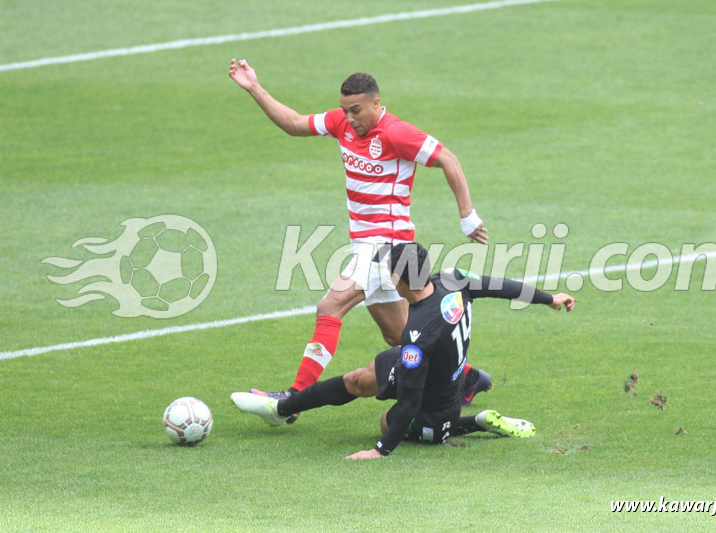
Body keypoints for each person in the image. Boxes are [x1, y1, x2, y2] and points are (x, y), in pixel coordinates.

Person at [228, 60, 491, 417]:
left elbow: (449, 159)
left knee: (329, 307)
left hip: (388, 246)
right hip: (368, 245)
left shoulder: (397, 133)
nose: (350, 118)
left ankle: (291, 400)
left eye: (357, 110)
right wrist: (254, 88)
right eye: (345, 110)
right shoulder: (341, 124)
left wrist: (467, 216)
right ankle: (470, 379)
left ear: (376, 103)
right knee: (400, 337)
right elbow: (293, 124)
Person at [231, 242, 576, 459]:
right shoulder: (452, 278)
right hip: (440, 370)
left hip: (439, 406)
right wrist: (549, 298)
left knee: (387, 421)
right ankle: (282, 408)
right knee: (359, 380)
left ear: (400, 281)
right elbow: (501, 286)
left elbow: (409, 405)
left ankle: (477, 422)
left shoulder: (416, 338)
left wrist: (379, 451)